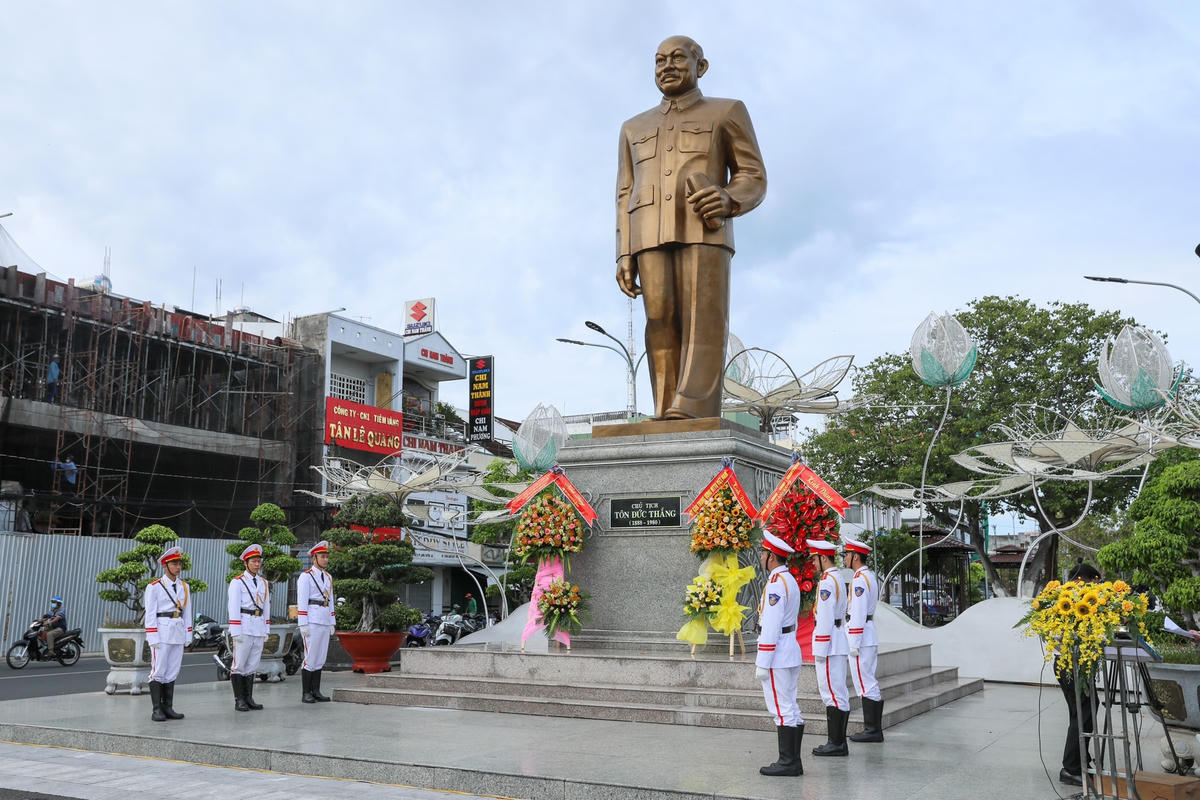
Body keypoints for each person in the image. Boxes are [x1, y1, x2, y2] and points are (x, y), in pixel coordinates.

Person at [615, 35, 767, 420]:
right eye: (659, 60)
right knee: (658, 319)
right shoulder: (633, 127)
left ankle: (693, 405)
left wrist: (729, 198)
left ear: (701, 67)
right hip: (648, 232)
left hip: (704, 228)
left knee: (703, 319)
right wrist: (624, 252)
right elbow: (624, 191)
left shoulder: (726, 112)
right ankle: (665, 406)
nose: (667, 66)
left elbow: (752, 174)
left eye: (678, 58)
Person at [754, 531, 804, 777]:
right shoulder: (789, 580)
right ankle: (793, 760)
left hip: (778, 653)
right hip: (788, 648)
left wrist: (763, 661)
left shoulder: (776, 584)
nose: (762, 557)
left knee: (781, 707)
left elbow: (771, 626)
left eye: (763, 553)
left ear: (771, 557)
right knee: (790, 705)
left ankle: (788, 762)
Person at [1058, 560, 1102, 786]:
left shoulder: (1072, 599)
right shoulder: (1067, 601)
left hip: (1075, 664)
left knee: (1083, 712)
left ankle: (1079, 762)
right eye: (1093, 583)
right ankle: (1071, 768)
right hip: (1071, 664)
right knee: (1083, 712)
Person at [809, 538, 850, 756]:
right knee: (838, 691)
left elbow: (824, 617)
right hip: (837, 638)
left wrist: (820, 649)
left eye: (814, 559)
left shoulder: (826, 581)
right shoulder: (837, 577)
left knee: (831, 692)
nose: (812, 563)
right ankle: (839, 742)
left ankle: (836, 743)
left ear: (823, 558)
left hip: (830, 642)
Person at [843, 535, 884, 743]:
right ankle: (873, 729)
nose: (844, 558)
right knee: (867, 680)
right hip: (867, 634)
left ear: (856, 557)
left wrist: (854, 642)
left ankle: (872, 730)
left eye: (847, 554)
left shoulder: (860, 579)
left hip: (861, 636)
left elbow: (858, 613)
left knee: (865, 682)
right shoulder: (868, 576)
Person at [143, 547, 192, 721]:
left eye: (179, 564)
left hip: (177, 631)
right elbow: (150, 614)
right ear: (165, 566)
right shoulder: (154, 587)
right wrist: (152, 636)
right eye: (174, 564)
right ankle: (157, 709)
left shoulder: (184, 586)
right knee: (158, 670)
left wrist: (188, 634)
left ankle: (168, 707)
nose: (178, 567)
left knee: (172, 671)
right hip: (162, 632)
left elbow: (187, 612)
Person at [227, 543, 270, 712]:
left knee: (252, 664)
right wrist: (235, 630)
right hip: (244, 626)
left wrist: (266, 628)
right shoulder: (237, 582)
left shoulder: (263, 583)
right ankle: (239, 700)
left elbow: (266, 607)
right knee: (239, 664)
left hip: (258, 626)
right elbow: (233, 607)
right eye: (253, 561)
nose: (257, 564)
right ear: (245, 563)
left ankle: (249, 698)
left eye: (259, 561)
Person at [296, 541, 334, 704]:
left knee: (320, 657)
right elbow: (302, 601)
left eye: (326, 556)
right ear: (314, 558)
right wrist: (303, 623)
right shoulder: (306, 576)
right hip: (312, 619)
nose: (325, 559)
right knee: (310, 656)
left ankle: (316, 691)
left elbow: (330, 600)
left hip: (324, 619)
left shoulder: (328, 577)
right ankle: (306, 692)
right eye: (322, 556)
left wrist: (332, 621)